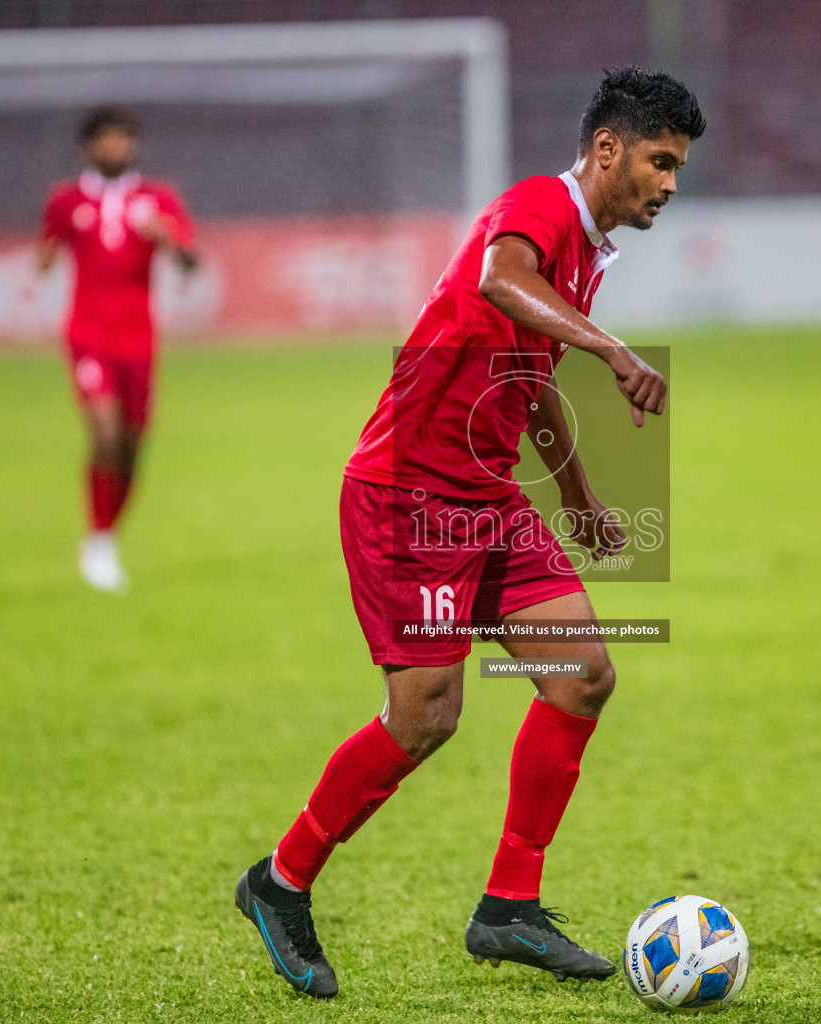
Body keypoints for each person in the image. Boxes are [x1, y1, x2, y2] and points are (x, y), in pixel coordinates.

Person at [232, 67, 704, 1000]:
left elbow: (525, 374)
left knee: (582, 676)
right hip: (409, 494)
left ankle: (509, 910)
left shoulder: (588, 256)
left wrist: (574, 491)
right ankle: (279, 883)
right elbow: (500, 279)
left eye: (679, 168)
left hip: (490, 498)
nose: (670, 184)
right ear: (607, 148)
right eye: (660, 160)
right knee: (426, 719)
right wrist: (613, 352)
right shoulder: (539, 207)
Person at [38, 106, 198, 593]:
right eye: (105, 140)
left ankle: (108, 534)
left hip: (139, 339)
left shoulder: (157, 198)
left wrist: (167, 239)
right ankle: (98, 541)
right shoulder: (66, 201)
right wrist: (49, 250)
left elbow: (191, 261)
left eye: (122, 140)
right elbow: (45, 256)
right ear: (87, 147)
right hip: (87, 335)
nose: (115, 148)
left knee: (131, 447)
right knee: (104, 434)